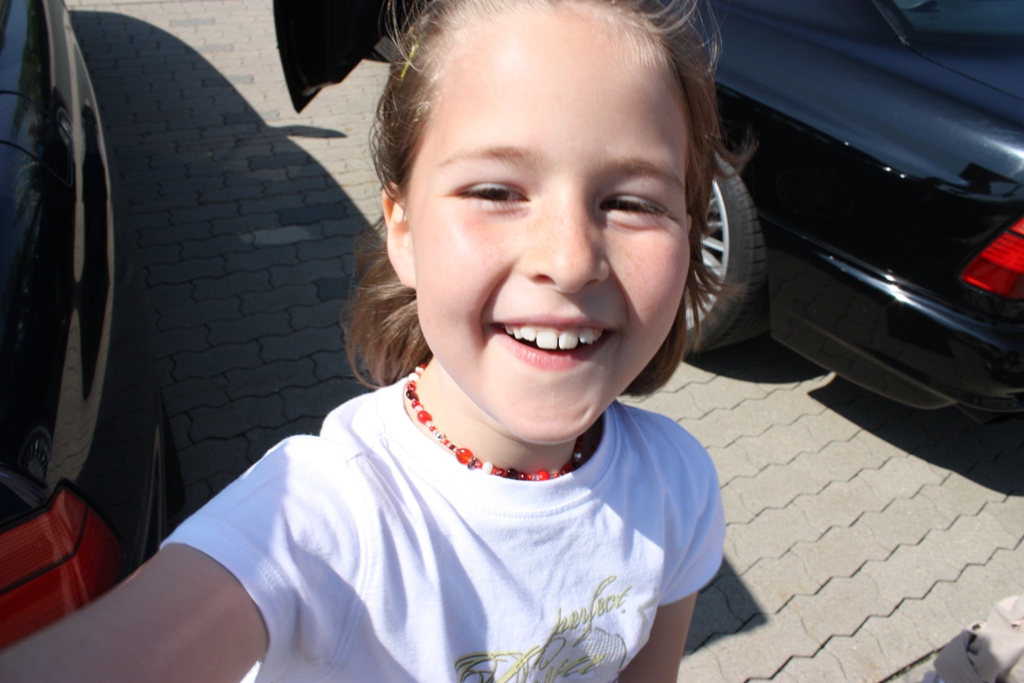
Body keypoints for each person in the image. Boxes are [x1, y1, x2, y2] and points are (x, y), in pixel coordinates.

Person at [0, 0, 730, 680]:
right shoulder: (318, 516)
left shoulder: (677, 487)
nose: (569, 260)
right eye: (496, 191)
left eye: (632, 202)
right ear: (402, 230)